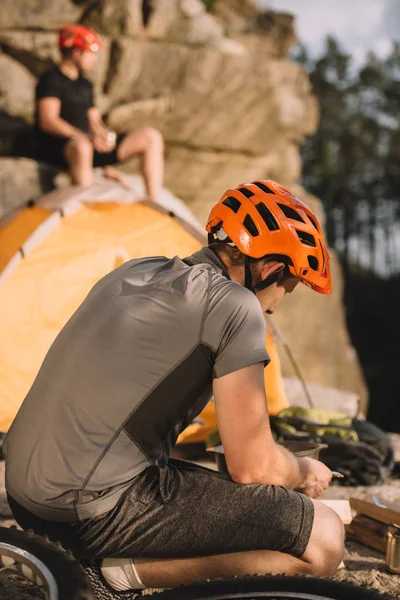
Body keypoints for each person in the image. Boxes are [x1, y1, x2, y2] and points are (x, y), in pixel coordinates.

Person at [4, 180, 344, 597]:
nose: (274, 306)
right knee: (324, 539)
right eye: (286, 288)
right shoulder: (235, 306)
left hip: (23, 493)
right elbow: (253, 468)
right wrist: (304, 472)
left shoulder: (136, 270)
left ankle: (107, 556)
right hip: (86, 509)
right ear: (271, 269)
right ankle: (120, 575)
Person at [35, 24, 164, 202]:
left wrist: (103, 136)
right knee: (82, 147)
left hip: (88, 143)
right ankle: (87, 205)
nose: (94, 59)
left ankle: (154, 201)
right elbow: (48, 120)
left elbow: (94, 119)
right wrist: (84, 137)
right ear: (76, 52)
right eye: (91, 52)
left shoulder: (85, 84)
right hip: (63, 147)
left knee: (151, 136)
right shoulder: (51, 79)